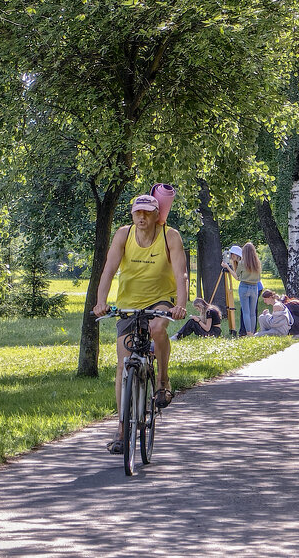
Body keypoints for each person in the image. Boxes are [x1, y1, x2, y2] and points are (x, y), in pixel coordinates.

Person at [94, 193, 188, 453]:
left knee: (157, 327)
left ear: (158, 215)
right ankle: (123, 431)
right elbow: (109, 270)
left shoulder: (170, 236)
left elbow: (181, 273)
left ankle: (162, 380)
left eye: (148, 212)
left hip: (160, 299)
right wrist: (101, 302)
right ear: (132, 214)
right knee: (123, 366)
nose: (143, 217)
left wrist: (181, 304)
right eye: (138, 212)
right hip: (129, 304)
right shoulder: (123, 235)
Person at [232, 242, 261, 336]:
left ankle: (248, 332)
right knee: (253, 312)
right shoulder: (257, 263)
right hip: (255, 287)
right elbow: (259, 277)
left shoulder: (241, 263)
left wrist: (230, 266)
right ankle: (252, 332)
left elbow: (237, 276)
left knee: (246, 312)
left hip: (244, 286)